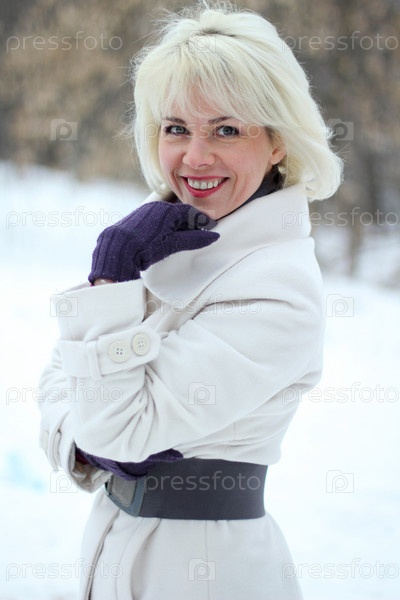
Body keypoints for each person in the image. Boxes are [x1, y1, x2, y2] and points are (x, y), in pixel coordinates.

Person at [38, 2, 342, 599]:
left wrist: (110, 283)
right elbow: (54, 384)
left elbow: (112, 430)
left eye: (226, 130)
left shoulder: (279, 287)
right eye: (176, 128)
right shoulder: (168, 244)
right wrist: (91, 437)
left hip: (207, 569)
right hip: (116, 547)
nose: (195, 156)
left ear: (277, 142)